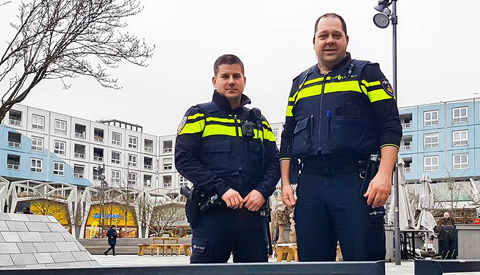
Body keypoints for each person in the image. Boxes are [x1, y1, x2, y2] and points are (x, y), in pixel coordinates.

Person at [280, 13, 402, 261]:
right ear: (314, 41)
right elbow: (287, 137)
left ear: (346, 40)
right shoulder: (299, 84)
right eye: (323, 35)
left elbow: (390, 125)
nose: (329, 40)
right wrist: (285, 184)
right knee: (312, 266)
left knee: (364, 263)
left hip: (356, 183)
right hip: (311, 185)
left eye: (336, 35)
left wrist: (384, 175)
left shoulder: (367, 73)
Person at [175, 54, 280, 263]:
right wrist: (221, 189)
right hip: (212, 215)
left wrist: (262, 191)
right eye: (225, 76)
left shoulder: (259, 122)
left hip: (252, 217)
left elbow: (274, 162)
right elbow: (184, 160)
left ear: (244, 80)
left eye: (236, 76)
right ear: (215, 81)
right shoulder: (199, 115)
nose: (231, 81)